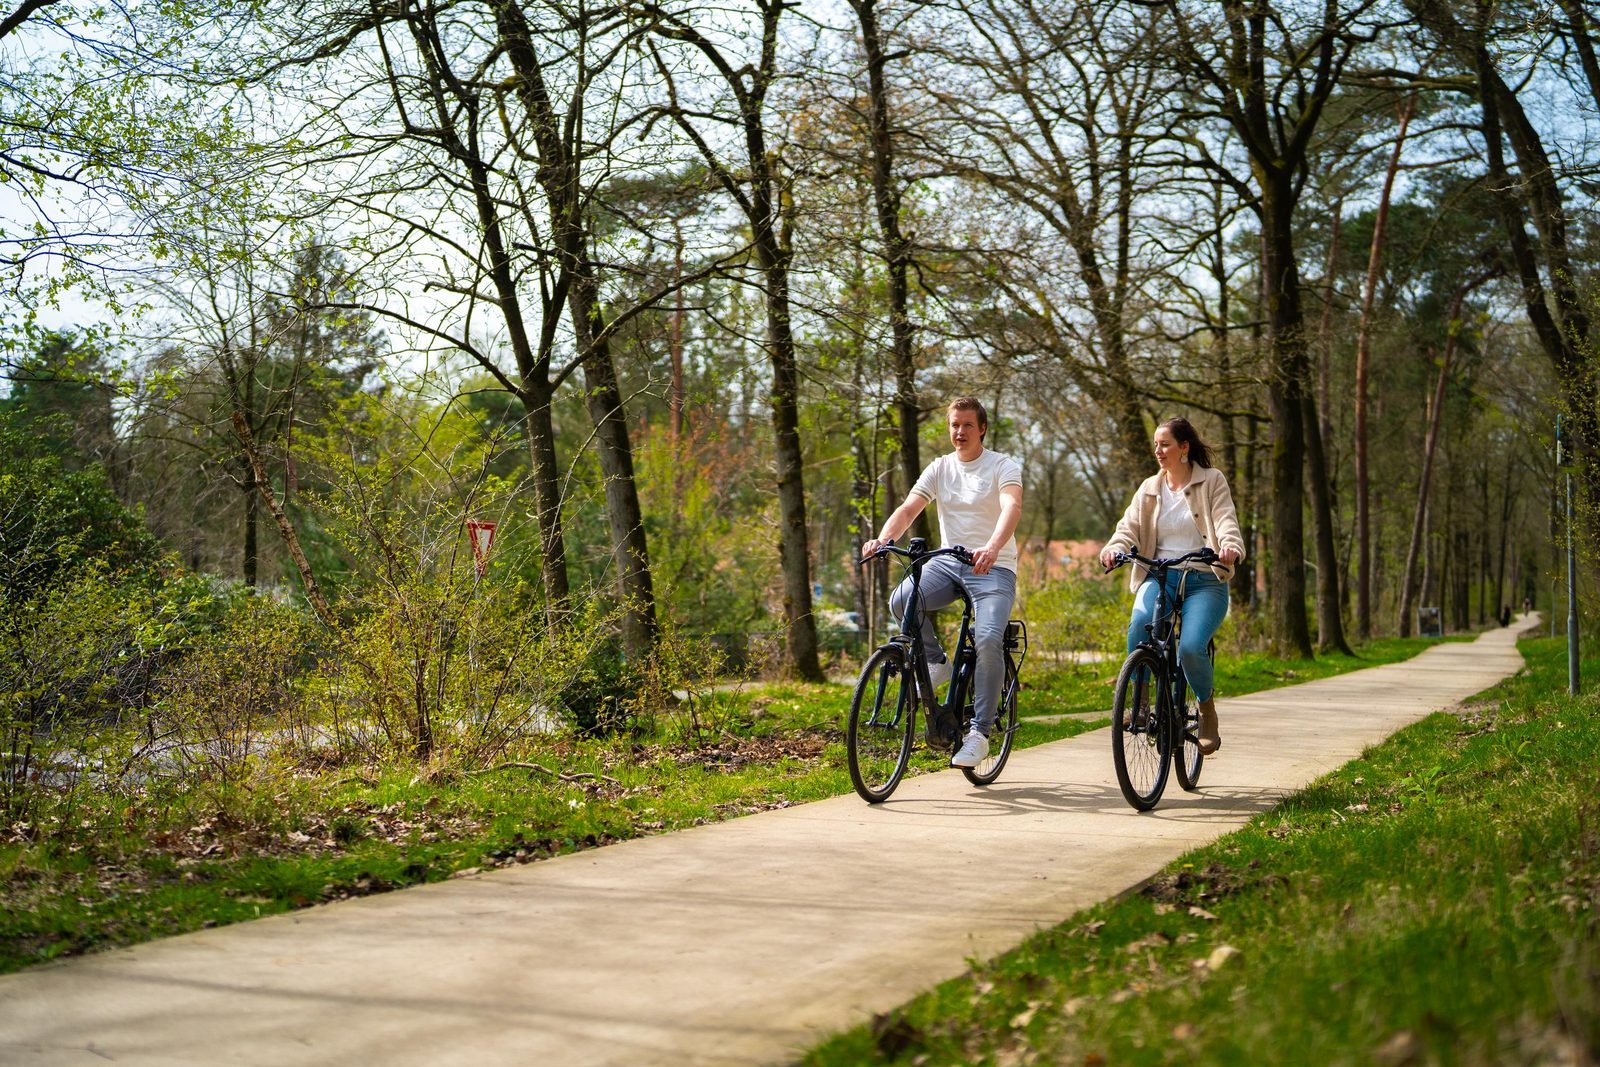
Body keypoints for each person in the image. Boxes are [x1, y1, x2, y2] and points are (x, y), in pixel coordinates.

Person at [861, 397, 1023, 768]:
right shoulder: (940, 467)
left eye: (967, 425)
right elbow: (909, 508)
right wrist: (884, 538)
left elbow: (1012, 507)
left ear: (982, 428)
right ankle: (936, 662)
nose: (959, 432)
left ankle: (979, 733)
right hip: (948, 562)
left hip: (993, 567)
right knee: (902, 600)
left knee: (988, 638)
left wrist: (993, 547)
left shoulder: (1002, 466)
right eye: (954, 425)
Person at [1098, 417, 1244, 755]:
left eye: (1165, 444)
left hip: (1204, 579)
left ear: (1184, 447)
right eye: (1156, 445)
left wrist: (1230, 547)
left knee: (1191, 647)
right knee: (1139, 624)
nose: (1158, 450)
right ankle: (1141, 701)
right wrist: (1115, 548)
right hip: (1161, 576)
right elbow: (1128, 528)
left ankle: (1206, 710)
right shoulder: (1150, 487)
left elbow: (1225, 520)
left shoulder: (1211, 481)